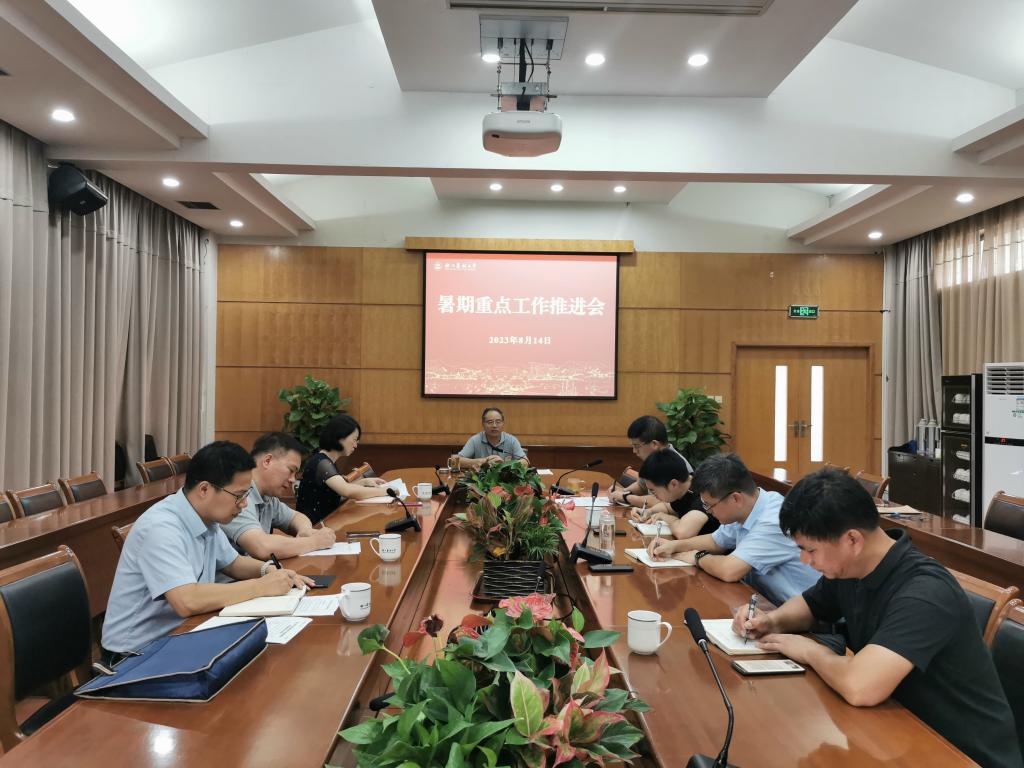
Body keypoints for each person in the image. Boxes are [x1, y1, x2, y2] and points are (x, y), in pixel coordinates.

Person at [734, 469, 1023, 768]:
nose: (805, 561)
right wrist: (770, 621)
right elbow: (811, 605)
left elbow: (861, 685)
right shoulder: (852, 568)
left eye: (810, 550)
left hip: (963, 754)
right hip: (899, 734)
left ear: (853, 540)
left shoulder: (925, 591)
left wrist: (810, 651)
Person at [101, 441, 311, 661]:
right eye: (239, 495)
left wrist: (269, 570)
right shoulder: (161, 527)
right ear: (204, 489)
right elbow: (187, 601)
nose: (244, 504)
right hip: (135, 656)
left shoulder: (206, 516)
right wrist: (262, 586)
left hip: (185, 634)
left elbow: (233, 564)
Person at [649, 453, 819, 605]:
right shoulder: (746, 507)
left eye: (709, 505)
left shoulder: (774, 519)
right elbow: (715, 541)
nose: (708, 511)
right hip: (762, 602)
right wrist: (675, 546)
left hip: (800, 619)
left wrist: (697, 556)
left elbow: (729, 570)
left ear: (735, 499)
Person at [219, 432, 337, 559]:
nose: (292, 479)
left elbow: (296, 517)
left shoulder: (267, 497)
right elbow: (261, 547)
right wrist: (314, 542)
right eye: (291, 470)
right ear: (267, 461)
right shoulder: (238, 495)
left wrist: (305, 531)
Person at [296, 414, 388, 524]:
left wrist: (364, 482)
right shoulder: (322, 463)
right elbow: (347, 491)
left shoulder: (326, 460)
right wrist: (384, 491)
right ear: (339, 436)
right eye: (354, 440)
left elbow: (335, 493)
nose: (355, 446)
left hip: (326, 522)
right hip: (314, 527)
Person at [607, 416, 692, 519]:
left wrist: (625, 497)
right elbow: (642, 486)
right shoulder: (654, 459)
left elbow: (664, 501)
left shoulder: (673, 465)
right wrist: (623, 491)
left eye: (637, 446)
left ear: (654, 444)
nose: (634, 451)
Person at [635, 449, 718, 540]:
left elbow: (683, 532)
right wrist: (648, 512)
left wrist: (663, 517)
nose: (653, 495)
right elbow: (667, 507)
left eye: (653, 490)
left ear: (673, 484)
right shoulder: (684, 488)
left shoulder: (703, 495)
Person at [454, 407, 528, 470]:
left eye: (498, 422)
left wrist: (503, 465)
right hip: (481, 480)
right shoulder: (475, 440)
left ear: (503, 423)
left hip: (506, 480)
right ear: (483, 424)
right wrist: (484, 461)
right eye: (490, 422)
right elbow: (454, 460)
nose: (494, 425)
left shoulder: (511, 440)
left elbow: (525, 461)